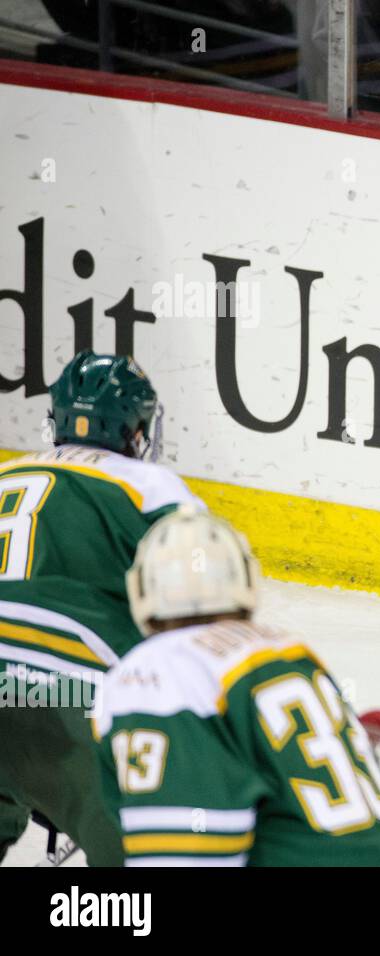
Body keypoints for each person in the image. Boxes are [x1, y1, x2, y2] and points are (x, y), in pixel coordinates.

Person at [95, 509, 380, 866]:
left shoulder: (152, 671)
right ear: (247, 582)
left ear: (140, 590)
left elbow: (186, 855)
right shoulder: (285, 649)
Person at [0, 352, 203, 866]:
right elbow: (202, 610)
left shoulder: (7, 477)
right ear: (137, 429)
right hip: (61, 692)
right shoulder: (153, 489)